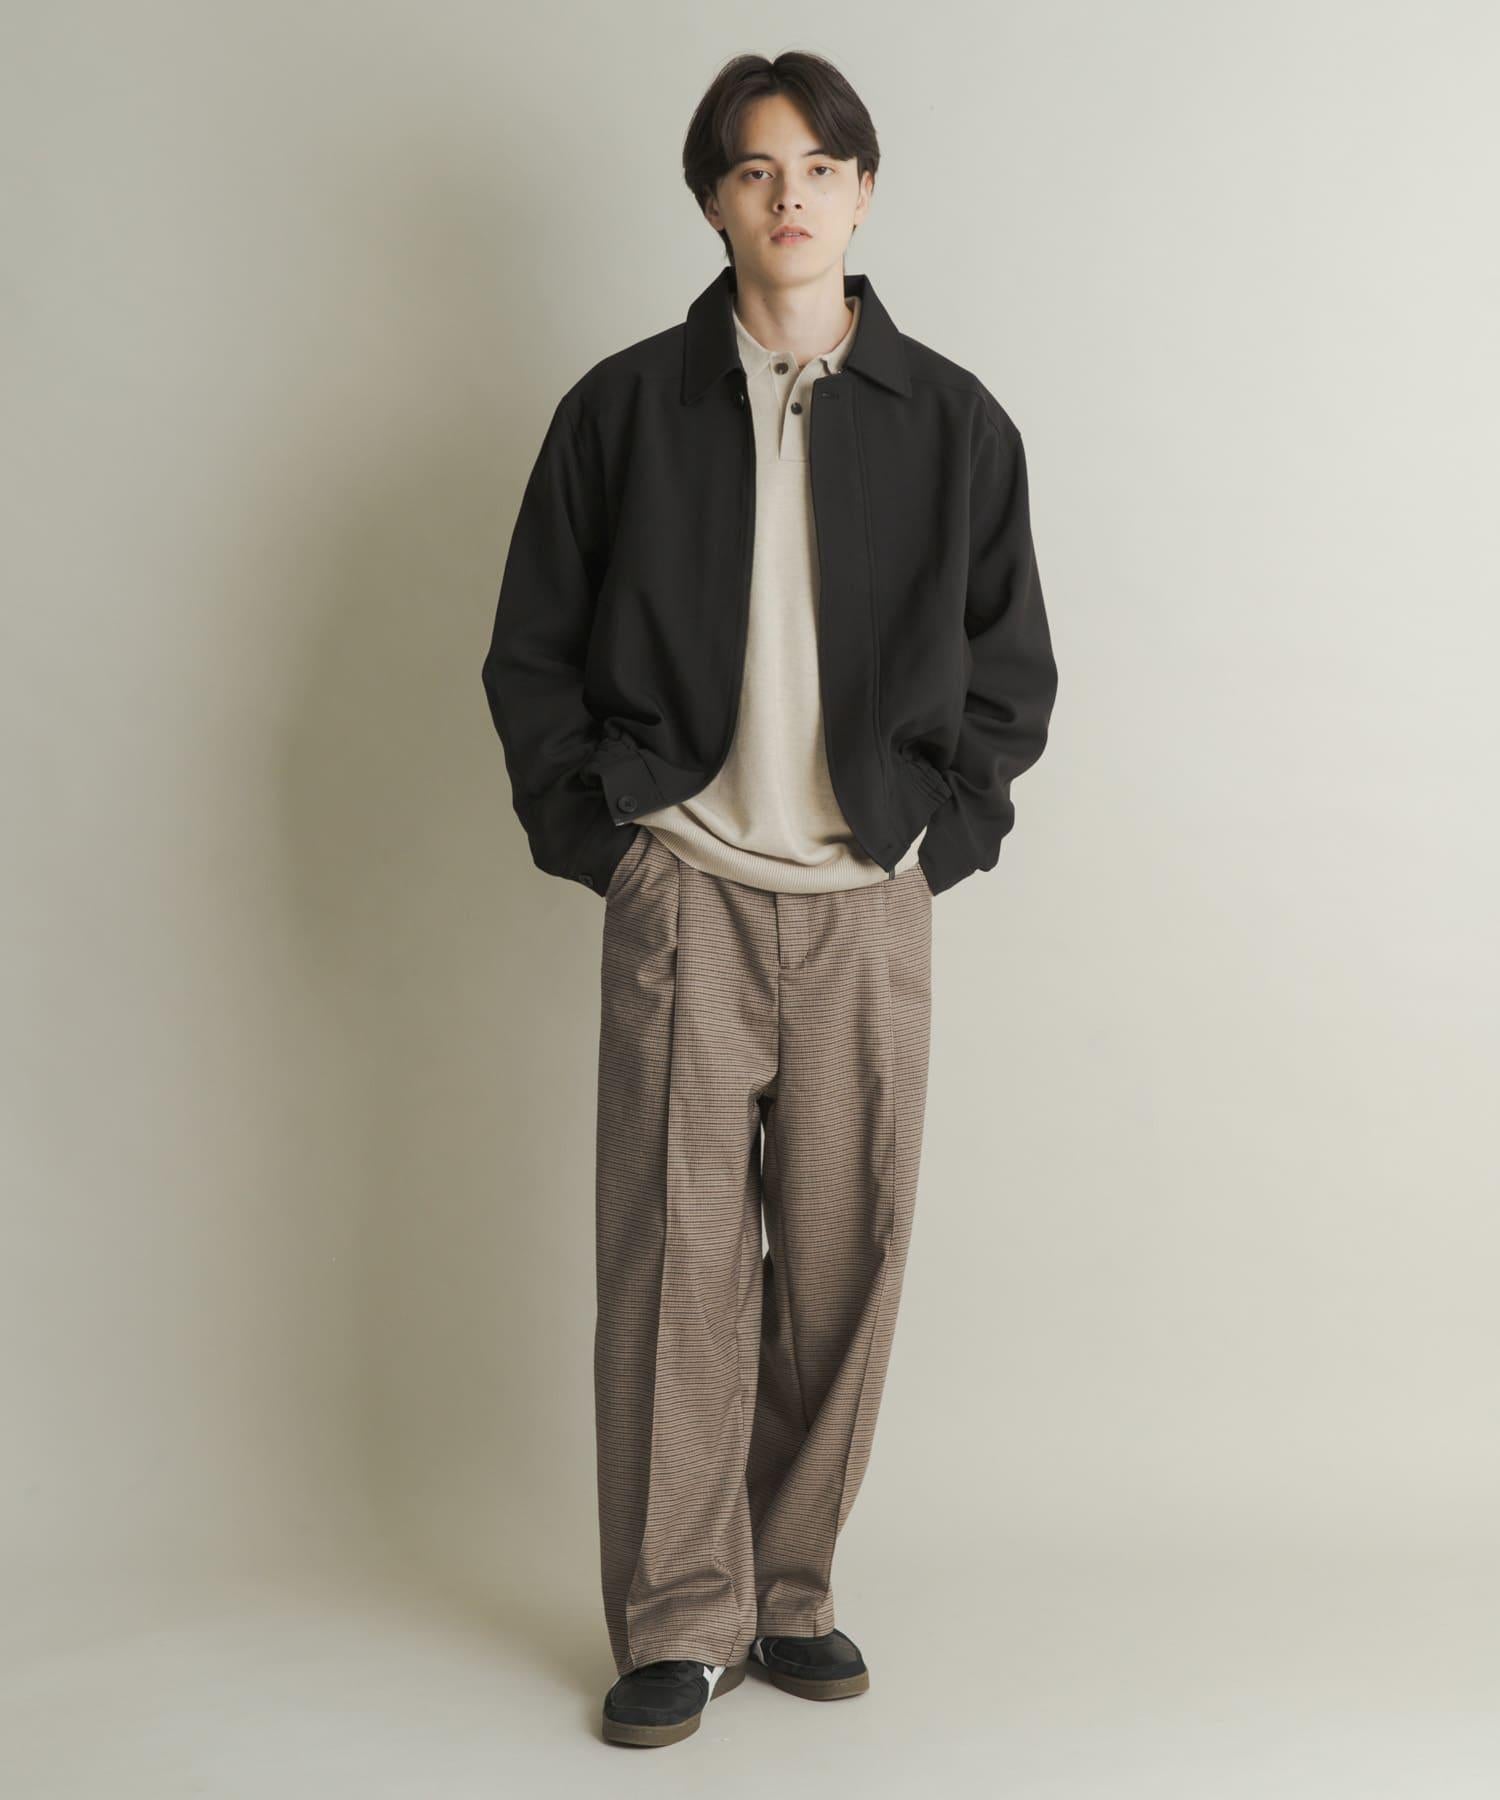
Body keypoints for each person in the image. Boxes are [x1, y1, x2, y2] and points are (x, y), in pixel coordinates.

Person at [481, 49, 1058, 1749]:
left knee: (842, 1264)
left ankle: (790, 1591)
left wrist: (937, 838)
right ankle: (679, 1618)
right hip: (688, 893)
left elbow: (1013, 668)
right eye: (753, 169)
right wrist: (614, 842)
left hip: (868, 899)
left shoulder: (955, 422)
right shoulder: (622, 412)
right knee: (672, 1268)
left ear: (864, 192)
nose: (788, 194)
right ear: (714, 201)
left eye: (818, 166)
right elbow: (530, 651)